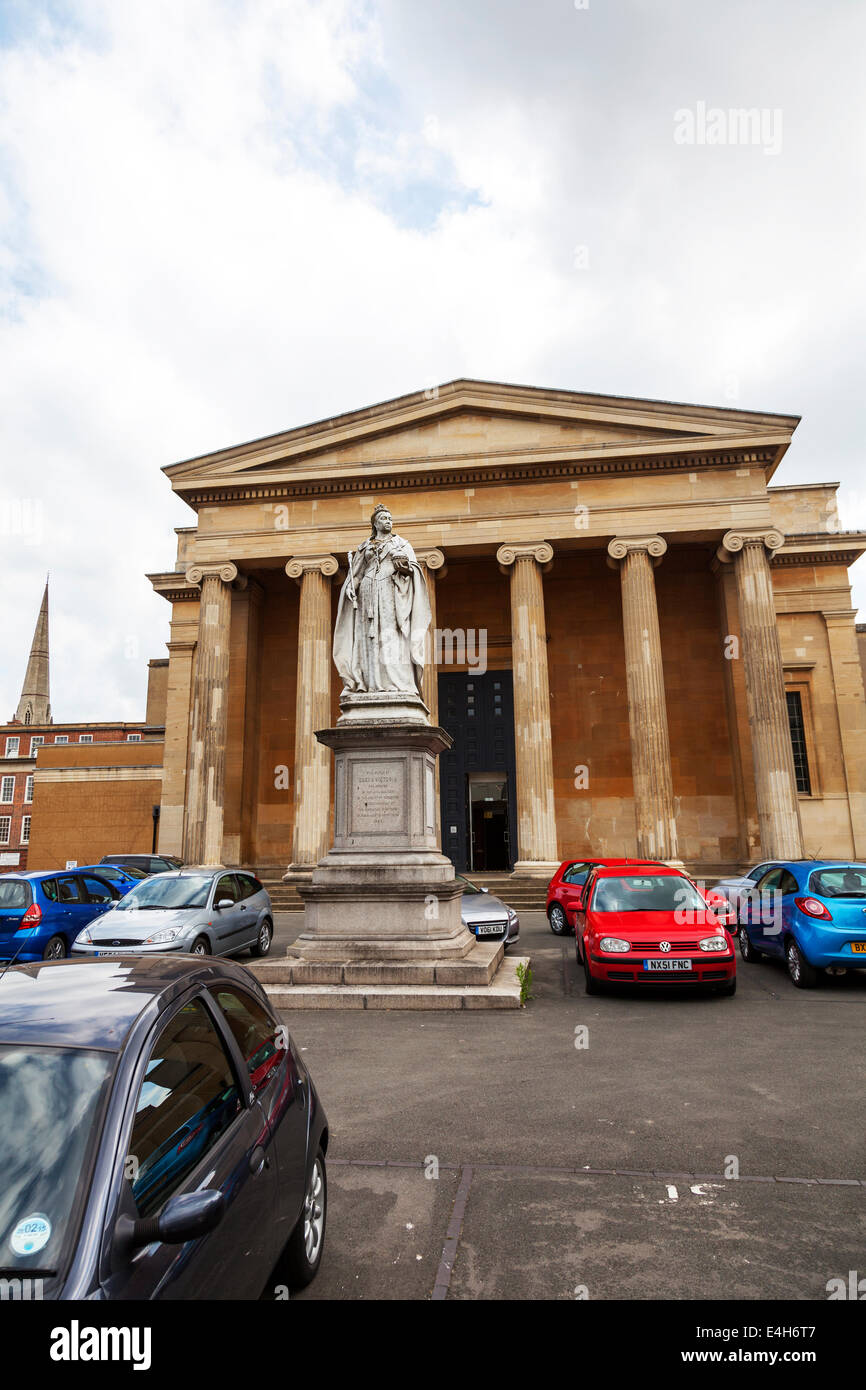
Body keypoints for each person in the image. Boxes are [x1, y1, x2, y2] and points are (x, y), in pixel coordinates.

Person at [333, 504, 431, 695]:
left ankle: (398, 683)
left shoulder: (402, 544)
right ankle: (370, 682)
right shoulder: (365, 546)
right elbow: (357, 573)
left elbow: (412, 570)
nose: (388, 521)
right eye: (384, 518)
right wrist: (351, 588)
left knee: (391, 633)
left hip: (391, 592)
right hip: (368, 593)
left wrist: (402, 564)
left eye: (390, 518)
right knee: (369, 637)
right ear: (375, 523)